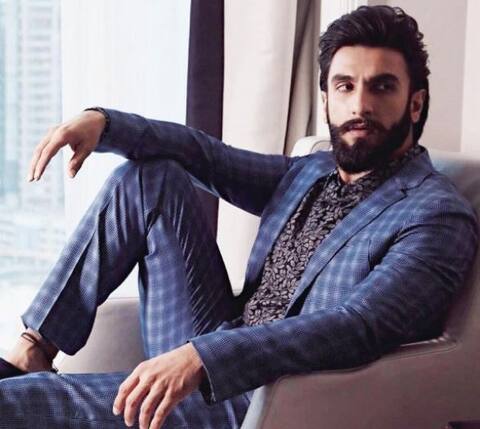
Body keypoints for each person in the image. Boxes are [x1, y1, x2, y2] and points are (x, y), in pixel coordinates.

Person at [0, 5, 477, 429]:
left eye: (382, 86)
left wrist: (203, 357)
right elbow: (206, 156)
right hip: (214, 345)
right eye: (345, 86)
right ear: (326, 100)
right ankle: (35, 347)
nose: (360, 105)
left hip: (268, 393)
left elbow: (359, 325)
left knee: (20, 404)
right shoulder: (311, 171)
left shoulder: (435, 214)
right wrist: (105, 124)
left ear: (415, 102)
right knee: (151, 178)